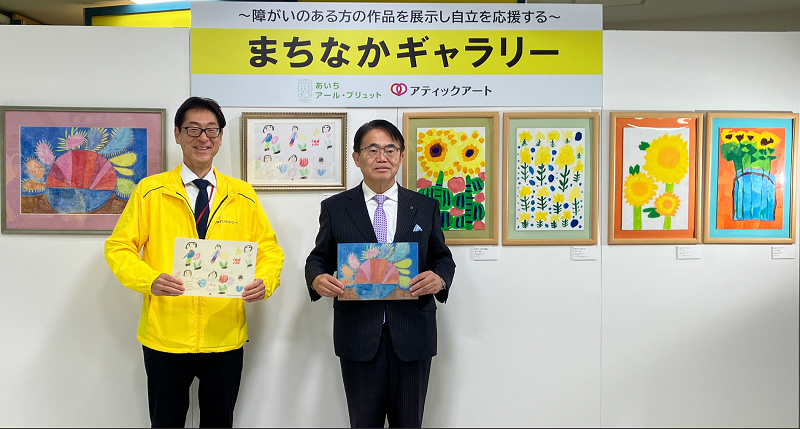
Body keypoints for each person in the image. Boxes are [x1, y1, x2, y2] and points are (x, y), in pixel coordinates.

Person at [104, 97, 285, 428]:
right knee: (165, 422)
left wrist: (265, 281)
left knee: (219, 422)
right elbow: (119, 248)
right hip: (165, 335)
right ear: (177, 134)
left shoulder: (242, 195)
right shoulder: (150, 192)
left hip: (224, 334)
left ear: (220, 136)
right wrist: (148, 280)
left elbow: (269, 250)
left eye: (211, 130)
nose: (203, 138)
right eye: (193, 129)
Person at [305, 119, 456, 428]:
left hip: (412, 332)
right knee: (363, 423)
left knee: (409, 422)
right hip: (358, 334)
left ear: (401, 155)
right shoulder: (336, 207)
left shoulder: (425, 206)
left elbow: (443, 258)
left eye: (390, 149)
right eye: (372, 150)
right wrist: (317, 279)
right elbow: (318, 258)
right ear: (356, 157)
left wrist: (439, 279)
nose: (382, 157)